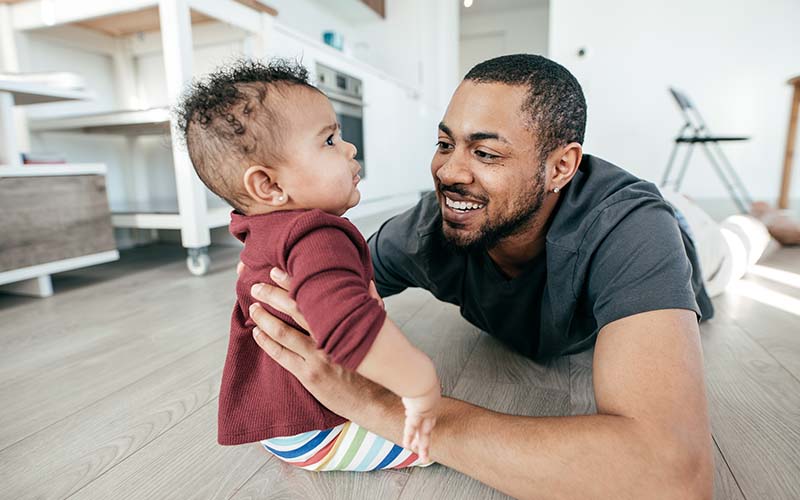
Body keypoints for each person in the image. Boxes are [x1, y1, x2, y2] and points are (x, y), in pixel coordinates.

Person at [246, 54, 717, 498]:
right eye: (445, 144)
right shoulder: (427, 229)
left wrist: (381, 406)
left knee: (744, 237)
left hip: (690, 232)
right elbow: (318, 290)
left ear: (560, 167)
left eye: (486, 153)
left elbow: (671, 474)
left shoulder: (630, 228)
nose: (449, 172)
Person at [176, 59, 441, 469]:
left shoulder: (264, 228)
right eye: (330, 140)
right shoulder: (316, 234)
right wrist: (417, 380)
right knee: (438, 440)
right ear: (269, 185)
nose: (350, 148)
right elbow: (345, 323)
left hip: (279, 418)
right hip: (319, 430)